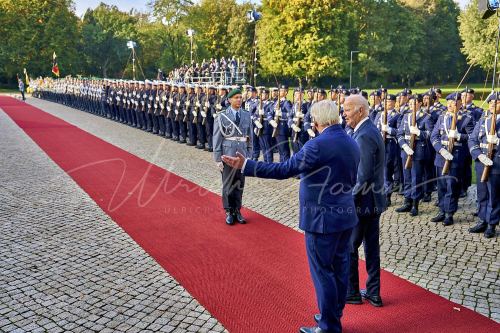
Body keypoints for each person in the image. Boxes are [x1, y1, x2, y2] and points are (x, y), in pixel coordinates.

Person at [222, 100, 360, 333]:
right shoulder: (350, 140)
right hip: (345, 216)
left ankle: (328, 326)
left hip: (321, 219)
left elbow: (284, 169)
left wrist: (247, 165)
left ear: (317, 121)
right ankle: (332, 316)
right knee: (340, 269)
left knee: (323, 272)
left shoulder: (317, 145)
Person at [343, 94, 386, 308]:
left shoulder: (364, 134)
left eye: (348, 110)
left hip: (363, 202)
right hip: (371, 200)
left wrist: (346, 198)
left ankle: (352, 292)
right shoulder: (366, 130)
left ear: (360, 110)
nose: (344, 113)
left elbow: (363, 175)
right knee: (371, 247)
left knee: (350, 246)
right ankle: (373, 292)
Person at [213, 88, 253, 225]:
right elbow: (217, 138)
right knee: (228, 184)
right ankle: (229, 211)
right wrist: (218, 158)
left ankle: (237, 210)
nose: (239, 99)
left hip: (242, 155)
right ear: (229, 100)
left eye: (240, 97)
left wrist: (249, 155)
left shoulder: (247, 115)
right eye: (236, 97)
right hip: (227, 154)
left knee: (239, 184)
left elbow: (250, 138)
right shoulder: (222, 115)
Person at [468, 92, 499, 238]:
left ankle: (491, 224)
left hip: (496, 163)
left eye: (496, 103)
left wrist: (498, 141)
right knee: (482, 193)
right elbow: (472, 139)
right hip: (481, 162)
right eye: (491, 103)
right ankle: (482, 219)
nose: (492, 105)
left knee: (494, 195)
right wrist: (479, 155)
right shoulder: (483, 119)